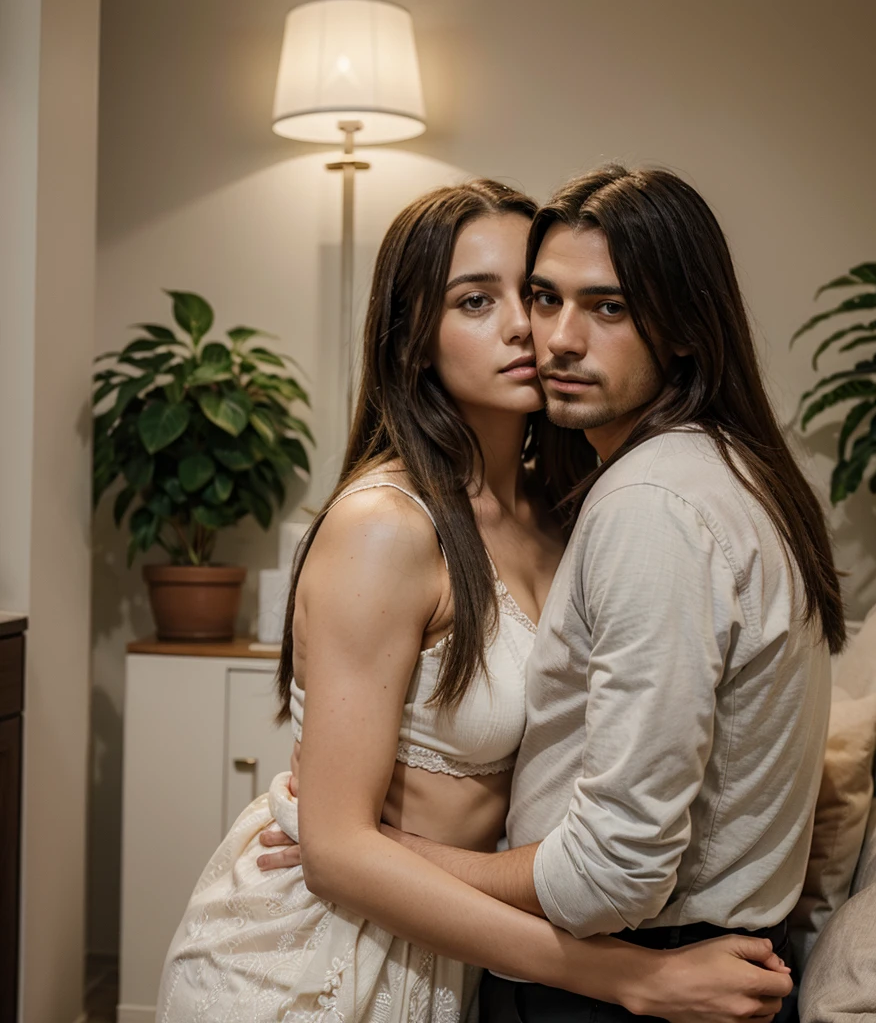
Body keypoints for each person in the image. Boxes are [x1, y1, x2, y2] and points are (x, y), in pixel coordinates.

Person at [156, 178, 793, 1023]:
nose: (528, 328)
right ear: (415, 339)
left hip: (467, 947)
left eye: (528, 294)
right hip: (321, 954)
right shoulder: (386, 526)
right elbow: (336, 852)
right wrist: (626, 978)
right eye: (474, 300)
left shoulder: (568, 514)